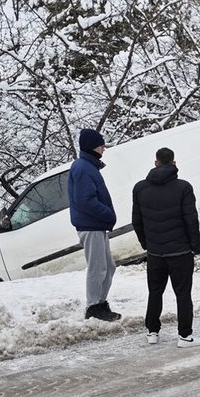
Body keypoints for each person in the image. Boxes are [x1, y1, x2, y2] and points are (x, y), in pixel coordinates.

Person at [132, 147, 200, 348]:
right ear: (174, 163)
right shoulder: (183, 188)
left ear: (155, 162)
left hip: (155, 252)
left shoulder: (139, 188)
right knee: (183, 294)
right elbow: (191, 220)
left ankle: (152, 332)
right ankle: (185, 336)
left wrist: (147, 244)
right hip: (180, 252)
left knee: (154, 291)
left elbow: (136, 221)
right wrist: (194, 246)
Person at [68, 128, 119, 322]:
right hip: (91, 226)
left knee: (109, 267)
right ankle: (93, 306)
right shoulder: (82, 167)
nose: (104, 149)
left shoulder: (88, 166)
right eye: (101, 145)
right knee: (97, 268)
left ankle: (100, 303)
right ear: (92, 147)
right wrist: (107, 214)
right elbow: (85, 200)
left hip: (97, 225)